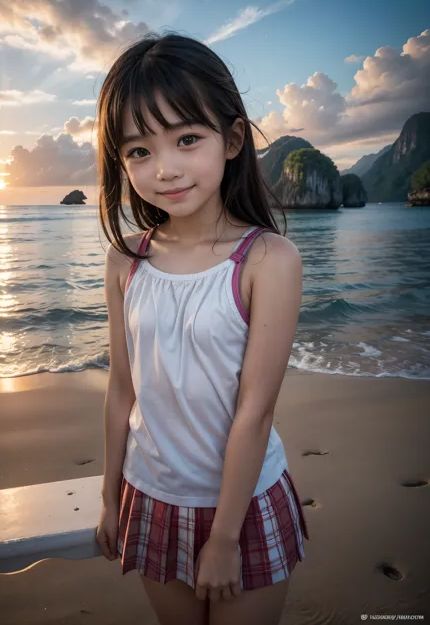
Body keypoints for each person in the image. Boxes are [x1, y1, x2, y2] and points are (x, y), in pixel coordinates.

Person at [95, 31, 310, 625]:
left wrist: (223, 538)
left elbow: (255, 411)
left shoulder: (267, 260)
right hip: (153, 495)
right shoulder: (125, 260)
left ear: (232, 138)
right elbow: (121, 388)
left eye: (187, 139)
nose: (165, 168)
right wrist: (110, 495)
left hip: (241, 502)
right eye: (138, 151)